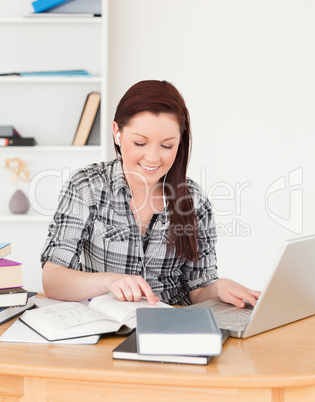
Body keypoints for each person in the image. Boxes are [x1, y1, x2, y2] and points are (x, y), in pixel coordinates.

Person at [41, 80, 260, 307]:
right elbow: (53, 279)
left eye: (167, 146)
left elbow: (199, 290)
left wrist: (218, 288)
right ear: (117, 133)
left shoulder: (194, 200)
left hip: (172, 328)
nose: (153, 158)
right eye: (140, 142)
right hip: (103, 328)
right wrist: (109, 281)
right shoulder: (86, 186)